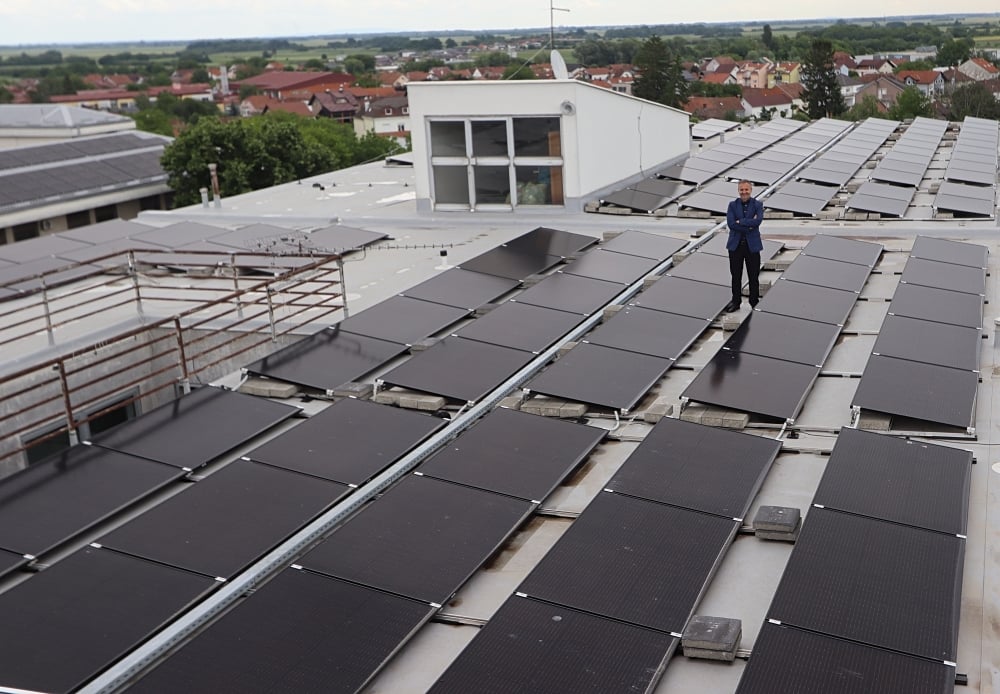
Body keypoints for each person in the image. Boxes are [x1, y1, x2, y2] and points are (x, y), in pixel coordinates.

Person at [724, 179, 764, 312]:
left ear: (750, 190)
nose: (744, 192)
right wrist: (749, 225)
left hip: (752, 246)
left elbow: (758, 221)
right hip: (735, 246)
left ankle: (754, 301)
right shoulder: (732, 205)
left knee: (753, 276)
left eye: (746, 189)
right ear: (738, 190)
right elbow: (731, 224)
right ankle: (736, 301)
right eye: (741, 189)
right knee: (736, 276)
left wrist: (740, 221)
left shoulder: (758, 204)